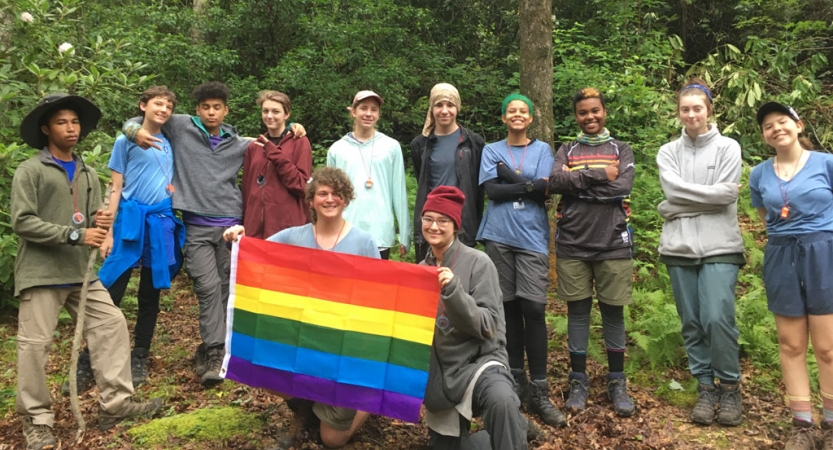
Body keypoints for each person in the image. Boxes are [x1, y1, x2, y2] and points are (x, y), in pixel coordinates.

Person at [123, 82, 305, 388]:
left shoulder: (239, 142)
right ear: (196, 110)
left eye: (217, 107)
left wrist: (294, 127)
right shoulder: (180, 128)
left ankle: (214, 350)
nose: (211, 112)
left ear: (226, 111)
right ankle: (215, 349)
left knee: (224, 289)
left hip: (231, 226)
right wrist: (133, 131)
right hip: (196, 225)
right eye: (205, 107)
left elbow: (274, 142)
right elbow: (144, 120)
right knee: (206, 287)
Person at [12, 93, 163, 450]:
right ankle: (36, 420)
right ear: (46, 128)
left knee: (110, 324)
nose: (71, 128)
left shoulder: (85, 171)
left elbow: (94, 215)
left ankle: (116, 404)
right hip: (41, 272)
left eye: (75, 122)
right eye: (62, 122)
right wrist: (76, 234)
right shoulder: (31, 170)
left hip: (81, 274)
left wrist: (101, 221)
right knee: (35, 346)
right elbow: (23, 222)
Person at [224, 167, 379, 448]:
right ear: (310, 201)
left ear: (346, 199)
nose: (329, 199)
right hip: (303, 340)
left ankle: (367, 400)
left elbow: (377, 298)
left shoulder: (363, 242)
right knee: (259, 364)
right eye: (322, 193)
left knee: (331, 440)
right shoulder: (292, 237)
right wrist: (238, 238)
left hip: (343, 348)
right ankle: (306, 407)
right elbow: (256, 255)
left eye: (336, 194)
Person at [82, 86, 186, 391]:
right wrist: (106, 232)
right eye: (158, 104)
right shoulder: (124, 141)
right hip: (130, 221)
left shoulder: (170, 143)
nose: (164, 109)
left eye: (168, 105)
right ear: (143, 106)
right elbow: (115, 188)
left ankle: (140, 354)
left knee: (150, 294)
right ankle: (90, 356)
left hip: (160, 223)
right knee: (110, 291)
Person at [657, 78, 744, 427]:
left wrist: (675, 206)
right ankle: (706, 387)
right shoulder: (668, 151)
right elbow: (671, 189)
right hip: (678, 246)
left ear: (708, 110)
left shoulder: (728, 147)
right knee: (692, 322)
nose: (691, 114)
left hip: (720, 245)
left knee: (717, 318)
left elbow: (727, 195)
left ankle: (730, 387)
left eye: (697, 108)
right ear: (678, 112)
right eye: (685, 109)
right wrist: (704, 197)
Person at [475, 93, 566, 427]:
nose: (517, 115)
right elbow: (493, 192)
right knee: (508, 307)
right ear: (503, 117)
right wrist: (526, 185)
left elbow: (545, 189)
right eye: (511, 110)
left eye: (522, 111)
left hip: (532, 238)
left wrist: (509, 177)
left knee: (534, 308)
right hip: (498, 235)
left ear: (530, 118)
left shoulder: (543, 150)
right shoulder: (491, 150)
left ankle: (540, 388)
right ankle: (515, 380)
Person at [548, 87, 636, 418]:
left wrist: (578, 183)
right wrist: (600, 175)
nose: (590, 117)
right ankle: (578, 379)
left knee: (614, 312)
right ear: (576, 117)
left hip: (613, 242)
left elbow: (622, 187)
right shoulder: (567, 148)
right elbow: (555, 182)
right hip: (573, 242)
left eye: (595, 111)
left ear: (605, 112)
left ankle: (617, 380)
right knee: (578, 312)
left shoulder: (622, 149)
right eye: (583, 113)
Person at [750, 101, 833, 450]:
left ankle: (831, 423)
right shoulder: (759, 174)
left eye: (782, 121)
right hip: (781, 254)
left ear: (798, 125)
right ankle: (802, 425)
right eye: (769, 126)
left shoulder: (826, 163)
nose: (776, 128)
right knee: (791, 343)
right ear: (764, 136)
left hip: (824, 251)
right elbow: (763, 217)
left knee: (828, 346)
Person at [421, 185, 530, 449]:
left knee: (502, 400)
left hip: (481, 361)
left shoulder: (479, 262)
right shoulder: (419, 272)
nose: (434, 226)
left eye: (443, 220)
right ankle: (518, 428)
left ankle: (511, 426)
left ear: (456, 226)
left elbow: (488, 326)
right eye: (428, 219)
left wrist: (453, 291)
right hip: (441, 373)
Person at [326, 90, 410, 260]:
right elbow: (329, 196)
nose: (368, 114)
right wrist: (326, 230)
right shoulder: (337, 149)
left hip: (379, 232)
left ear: (379, 114)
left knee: (375, 285)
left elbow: (399, 192)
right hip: (345, 231)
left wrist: (404, 234)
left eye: (374, 109)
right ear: (353, 112)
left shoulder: (390, 147)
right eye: (363, 108)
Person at [410, 83, 485, 263]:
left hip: (462, 220)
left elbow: (479, 188)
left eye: (450, 105)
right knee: (429, 279)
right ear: (431, 108)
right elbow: (422, 180)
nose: (444, 111)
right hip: (431, 222)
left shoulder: (473, 142)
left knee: (461, 277)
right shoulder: (420, 144)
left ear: (457, 108)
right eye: (439, 105)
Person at [241, 90, 312, 238]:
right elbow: (247, 190)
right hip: (255, 230)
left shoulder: (299, 142)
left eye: (276, 111)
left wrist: (275, 155)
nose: (269, 116)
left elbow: (302, 185)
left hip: (287, 229)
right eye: (265, 111)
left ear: (286, 115)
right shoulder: (254, 146)